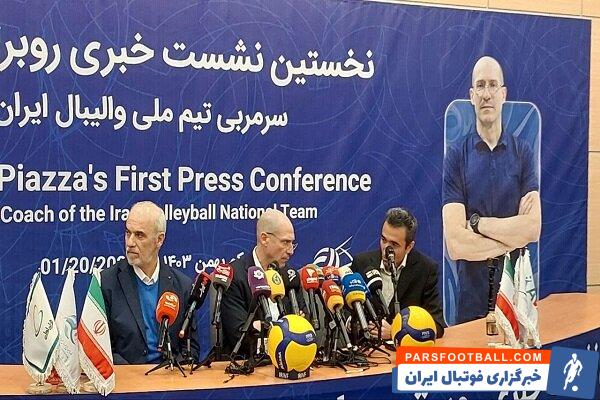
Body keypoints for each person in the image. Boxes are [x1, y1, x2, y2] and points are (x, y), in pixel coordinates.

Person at [442, 56, 541, 324]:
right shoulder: (457, 156)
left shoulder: (523, 153)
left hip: (516, 301)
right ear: (471, 96)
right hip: (471, 303)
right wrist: (512, 239)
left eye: (493, 85)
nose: (486, 94)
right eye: (480, 85)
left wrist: (477, 224)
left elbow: (532, 229)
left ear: (503, 94)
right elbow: (455, 244)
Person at [101, 201, 199, 364]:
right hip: (126, 376)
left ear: (159, 240)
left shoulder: (182, 286)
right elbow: (103, 350)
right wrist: (135, 375)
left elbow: (190, 349)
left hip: (169, 376)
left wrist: (170, 373)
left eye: (139, 235)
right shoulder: (106, 283)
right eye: (128, 233)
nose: (130, 242)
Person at [221, 208, 305, 357]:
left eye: (292, 243)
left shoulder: (290, 276)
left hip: (290, 360)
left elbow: (303, 323)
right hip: (247, 363)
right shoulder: (236, 275)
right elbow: (239, 336)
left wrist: (262, 328)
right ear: (264, 238)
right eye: (285, 242)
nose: (291, 251)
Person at [351, 207, 445, 339]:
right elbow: (344, 313)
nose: (386, 249)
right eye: (383, 240)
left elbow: (437, 325)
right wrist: (355, 325)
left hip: (403, 349)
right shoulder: (361, 263)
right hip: (365, 348)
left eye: (394, 244)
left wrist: (395, 332)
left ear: (409, 247)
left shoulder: (426, 270)